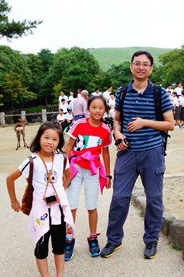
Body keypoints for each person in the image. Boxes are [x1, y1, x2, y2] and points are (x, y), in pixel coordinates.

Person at [101, 51, 174, 259]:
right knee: (119, 197)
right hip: (126, 152)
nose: (141, 67)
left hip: (152, 151)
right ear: (131, 67)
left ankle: (151, 240)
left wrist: (145, 122)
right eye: (137, 63)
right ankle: (114, 240)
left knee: (154, 198)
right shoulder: (123, 92)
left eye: (145, 64)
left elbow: (171, 124)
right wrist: (117, 134)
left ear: (151, 68)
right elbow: (117, 119)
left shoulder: (159, 93)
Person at [6, 122, 74, 277]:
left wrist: (60, 191)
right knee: (41, 247)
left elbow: (68, 176)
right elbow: (10, 179)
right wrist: (14, 201)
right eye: (46, 137)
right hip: (40, 211)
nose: (50, 142)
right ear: (39, 138)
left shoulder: (62, 158)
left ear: (59, 142)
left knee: (59, 246)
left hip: (58, 211)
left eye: (55, 139)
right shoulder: (32, 161)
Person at [63, 96, 112, 261]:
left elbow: (105, 152)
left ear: (105, 110)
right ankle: (69, 239)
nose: (97, 111)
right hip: (75, 169)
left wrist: (108, 174)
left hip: (93, 170)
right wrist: (64, 169)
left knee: (92, 206)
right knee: (71, 206)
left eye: (100, 108)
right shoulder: (79, 124)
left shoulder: (106, 129)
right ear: (88, 109)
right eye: (94, 107)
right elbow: (68, 146)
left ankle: (92, 238)